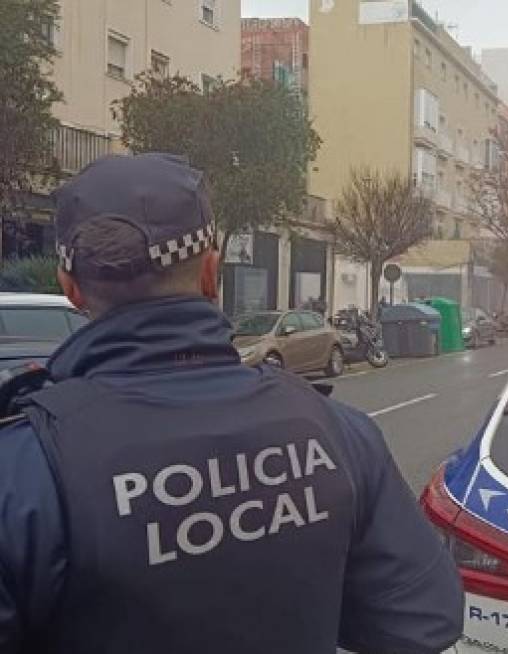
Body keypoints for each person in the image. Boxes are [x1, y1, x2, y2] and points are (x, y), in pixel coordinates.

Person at [0, 154, 464, 654]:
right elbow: (424, 619)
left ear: (70, 290)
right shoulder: (337, 430)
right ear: (211, 274)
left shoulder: (24, 472)